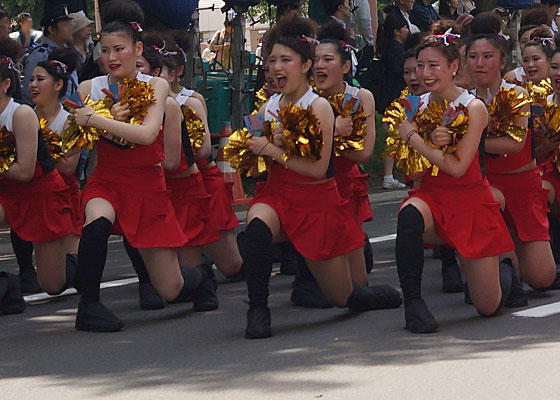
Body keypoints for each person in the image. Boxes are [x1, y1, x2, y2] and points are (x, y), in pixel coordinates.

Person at [238, 12, 402, 339]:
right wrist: (249, 150)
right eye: (272, 60)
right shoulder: (268, 106)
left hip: (317, 201)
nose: (276, 67)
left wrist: (272, 149)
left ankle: (370, 295)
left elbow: (316, 170)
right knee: (255, 232)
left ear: (304, 66)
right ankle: (258, 309)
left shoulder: (320, 108)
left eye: (286, 59)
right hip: (277, 195)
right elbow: (250, 166)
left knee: (347, 296)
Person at [70, 0, 217, 332]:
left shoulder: (157, 86)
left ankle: (201, 276)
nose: (111, 58)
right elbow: (75, 142)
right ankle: (88, 306)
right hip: (105, 181)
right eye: (104, 50)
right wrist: (88, 124)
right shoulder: (87, 89)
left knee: (171, 288)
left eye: (119, 49)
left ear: (137, 49)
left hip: (147, 187)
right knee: (96, 222)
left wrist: (98, 120)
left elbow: (147, 134)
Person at [390, 28, 518, 334]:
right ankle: (413, 304)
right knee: (408, 215)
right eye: (420, 65)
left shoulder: (474, 108)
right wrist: (414, 143)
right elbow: (411, 170)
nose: (425, 73)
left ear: (453, 68)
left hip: (470, 201)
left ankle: (505, 274)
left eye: (434, 65)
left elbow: (458, 168)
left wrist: (414, 138)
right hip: (432, 197)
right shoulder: (415, 106)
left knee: (487, 306)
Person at [466, 13, 557, 302]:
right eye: (473, 56)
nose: (479, 63)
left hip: (523, 184)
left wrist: (470, 141)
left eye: (487, 56)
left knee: (542, 277)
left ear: (503, 62)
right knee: (489, 204)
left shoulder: (516, 94)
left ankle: (511, 264)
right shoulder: (462, 99)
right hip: (485, 185)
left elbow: (515, 144)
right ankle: (498, 266)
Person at [0, 37, 77, 301]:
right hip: (8, 194)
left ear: (6, 84)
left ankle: (84, 265)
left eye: (40, 79)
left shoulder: (20, 114)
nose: (33, 85)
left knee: (53, 284)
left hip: (41, 195)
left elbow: (24, 171)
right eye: (31, 80)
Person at [21, 4, 76, 106]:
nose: (71, 28)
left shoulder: (69, 51)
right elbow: (28, 93)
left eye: (70, 24)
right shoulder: (40, 55)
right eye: (65, 25)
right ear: (52, 29)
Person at [380, 13, 410, 189]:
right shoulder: (397, 52)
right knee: (393, 136)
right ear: (397, 32)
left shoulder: (390, 49)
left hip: (390, 98)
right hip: (394, 99)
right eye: (405, 27)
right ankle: (388, 175)